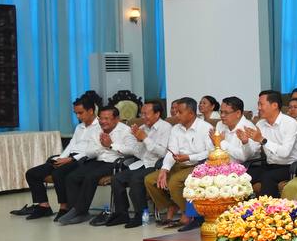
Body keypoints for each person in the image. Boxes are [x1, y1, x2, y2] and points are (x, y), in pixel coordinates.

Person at [12, 94, 103, 221]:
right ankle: (43, 206)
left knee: (58, 173)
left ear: (91, 111)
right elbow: (71, 145)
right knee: (32, 173)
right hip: (69, 157)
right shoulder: (79, 127)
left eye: (80, 113)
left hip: (83, 160)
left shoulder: (101, 126)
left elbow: (95, 150)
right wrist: (61, 158)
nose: (78, 116)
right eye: (76, 113)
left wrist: (71, 159)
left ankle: (64, 208)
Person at [58, 105, 139, 225]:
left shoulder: (126, 131)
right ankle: (76, 211)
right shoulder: (96, 130)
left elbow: (132, 150)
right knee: (72, 177)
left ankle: (79, 210)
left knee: (91, 177)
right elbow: (89, 151)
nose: (103, 122)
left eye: (107, 118)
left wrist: (111, 145)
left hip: (116, 163)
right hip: (98, 160)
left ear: (116, 119)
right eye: (101, 118)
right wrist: (101, 146)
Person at [144, 97, 213, 229]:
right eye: (176, 112)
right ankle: (173, 206)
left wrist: (189, 157)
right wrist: (164, 169)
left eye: (180, 112)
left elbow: (210, 152)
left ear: (191, 114)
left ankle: (189, 214)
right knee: (150, 180)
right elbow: (171, 151)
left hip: (198, 165)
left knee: (174, 182)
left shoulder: (205, 128)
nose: (176, 115)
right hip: (178, 164)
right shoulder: (176, 128)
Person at [103, 100, 171, 227]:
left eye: (146, 114)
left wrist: (145, 138)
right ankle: (122, 214)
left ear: (157, 114)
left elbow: (163, 152)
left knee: (136, 179)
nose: (143, 117)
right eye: (142, 114)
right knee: (117, 178)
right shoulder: (142, 128)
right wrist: (139, 141)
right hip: (142, 163)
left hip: (157, 165)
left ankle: (141, 215)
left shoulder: (165, 128)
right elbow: (137, 153)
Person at [242, 91, 297, 197]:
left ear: (274, 105)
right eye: (258, 104)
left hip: (291, 167)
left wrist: (263, 140)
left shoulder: (290, 124)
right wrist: (245, 142)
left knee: (268, 177)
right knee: (243, 175)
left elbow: (285, 153)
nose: (259, 108)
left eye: (261, 104)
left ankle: (267, 207)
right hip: (269, 165)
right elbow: (253, 152)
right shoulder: (260, 124)